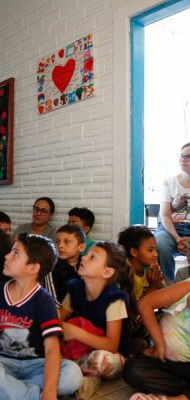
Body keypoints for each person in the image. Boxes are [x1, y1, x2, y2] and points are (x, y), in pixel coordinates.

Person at [0, 233, 83, 400]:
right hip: (2, 363)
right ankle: (31, 395)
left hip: (36, 365)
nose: (7, 256)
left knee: (73, 374)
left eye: (15, 253)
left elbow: (52, 348)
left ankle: (10, 392)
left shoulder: (44, 300)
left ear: (33, 268)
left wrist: (50, 393)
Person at [58, 241, 131, 392]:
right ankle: (84, 375)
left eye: (92, 257)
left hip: (107, 354)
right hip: (78, 351)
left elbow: (111, 345)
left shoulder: (115, 299)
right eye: (86, 255)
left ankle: (83, 374)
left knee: (100, 360)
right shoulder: (75, 289)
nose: (83, 258)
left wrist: (77, 333)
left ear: (107, 272)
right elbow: (58, 319)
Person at [122, 279, 190, 400]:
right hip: (165, 363)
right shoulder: (187, 286)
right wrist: (159, 343)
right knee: (133, 370)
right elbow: (145, 304)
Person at [155, 142, 190, 283]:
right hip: (171, 227)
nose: (183, 159)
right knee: (161, 244)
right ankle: (169, 285)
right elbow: (164, 215)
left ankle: (186, 287)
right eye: (182, 155)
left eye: (188, 156)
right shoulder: (168, 182)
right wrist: (177, 238)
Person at [118, 225, 164, 300]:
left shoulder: (149, 270)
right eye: (150, 250)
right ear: (134, 252)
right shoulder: (123, 274)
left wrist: (159, 284)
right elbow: (131, 308)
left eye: (156, 250)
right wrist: (152, 287)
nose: (156, 254)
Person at [44, 224, 86, 304]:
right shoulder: (51, 268)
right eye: (57, 242)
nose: (60, 246)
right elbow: (53, 301)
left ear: (81, 247)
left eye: (67, 242)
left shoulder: (86, 264)